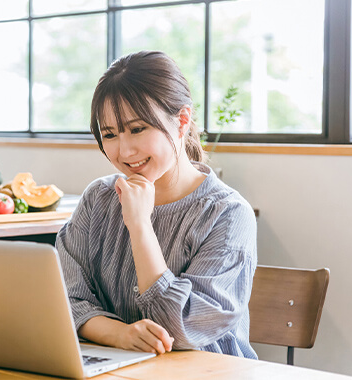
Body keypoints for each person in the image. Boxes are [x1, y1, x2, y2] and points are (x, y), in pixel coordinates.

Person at [56, 50, 257, 359]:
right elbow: (62, 297)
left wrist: (139, 226)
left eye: (138, 129)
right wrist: (120, 335)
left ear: (182, 121)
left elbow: (178, 328)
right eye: (109, 134)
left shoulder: (227, 214)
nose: (124, 151)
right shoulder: (98, 199)